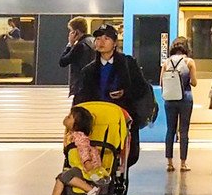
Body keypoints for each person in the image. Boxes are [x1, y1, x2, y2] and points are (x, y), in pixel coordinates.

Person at [72, 23, 155, 163]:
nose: (101, 42)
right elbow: (82, 95)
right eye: (98, 39)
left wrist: (125, 92)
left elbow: (141, 88)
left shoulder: (128, 64)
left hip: (121, 120)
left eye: (106, 38)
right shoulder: (89, 70)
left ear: (115, 43)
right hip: (97, 121)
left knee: (125, 157)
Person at [37, 106, 114, 195]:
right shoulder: (71, 135)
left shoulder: (79, 136)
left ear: (76, 125)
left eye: (69, 117)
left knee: (63, 177)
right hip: (79, 168)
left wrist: (86, 161)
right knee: (61, 178)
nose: (66, 118)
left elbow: (83, 148)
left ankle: (91, 190)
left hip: (84, 168)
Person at [160, 37, 196, 172]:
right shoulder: (189, 62)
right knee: (184, 131)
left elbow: (162, 82)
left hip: (169, 100)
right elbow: (194, 82)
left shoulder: (166, 62)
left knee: (170, 130)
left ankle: (169, 163)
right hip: (185, 98)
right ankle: (183, 163)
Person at [59, 18, 95, 99]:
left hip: (81, 87)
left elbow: (63, 62)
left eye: (71, 31)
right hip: (93, 86)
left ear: (76, 32)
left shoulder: (80, 46)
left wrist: (70, 44)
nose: (69, 34)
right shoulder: (93, 41)